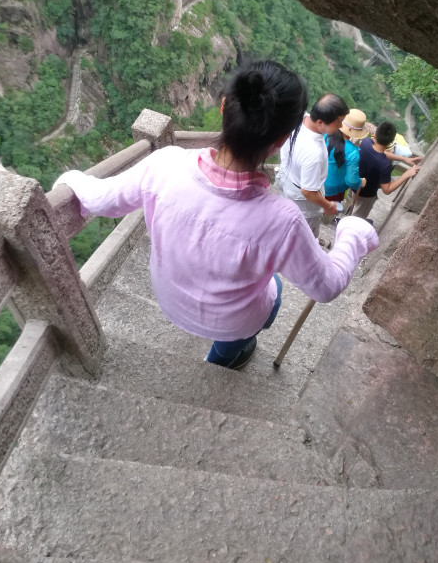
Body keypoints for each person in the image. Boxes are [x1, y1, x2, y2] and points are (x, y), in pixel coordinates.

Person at [54, 61, 378, 370]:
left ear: (224, 107)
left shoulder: (165, 165)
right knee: (274, 292)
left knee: (270, 288)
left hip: (168, 297)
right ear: (281, 140)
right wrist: (352, 232)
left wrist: (69, 180)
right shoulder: (282, 221)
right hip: (233, 322)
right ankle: (221, 361)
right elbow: (326, 287)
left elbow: (100, 199)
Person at [276, 94, 349, 240]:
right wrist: (328, 206)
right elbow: (308, 191)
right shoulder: (314, 153)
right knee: (302, 237)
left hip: (287, 178)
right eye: (339, 122)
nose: (341, 126)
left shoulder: (297, 118)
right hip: (302, 203)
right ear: (321, 122)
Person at [350, 120, 420, 221]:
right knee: (355, 221)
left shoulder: (366, 142)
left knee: (351, 206)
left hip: (353, 185)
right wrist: (407, 174)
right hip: (366, 196)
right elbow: (386, 189)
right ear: (390, 143)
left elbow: (379, 153)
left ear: (374, 136)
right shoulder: (384, 164)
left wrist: (404, 159)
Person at [324, 108, 369, 212]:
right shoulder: (353, 152)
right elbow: (351, 180)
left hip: (312, 184)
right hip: (332, 192)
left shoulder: (325, 134)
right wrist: (360, 182)